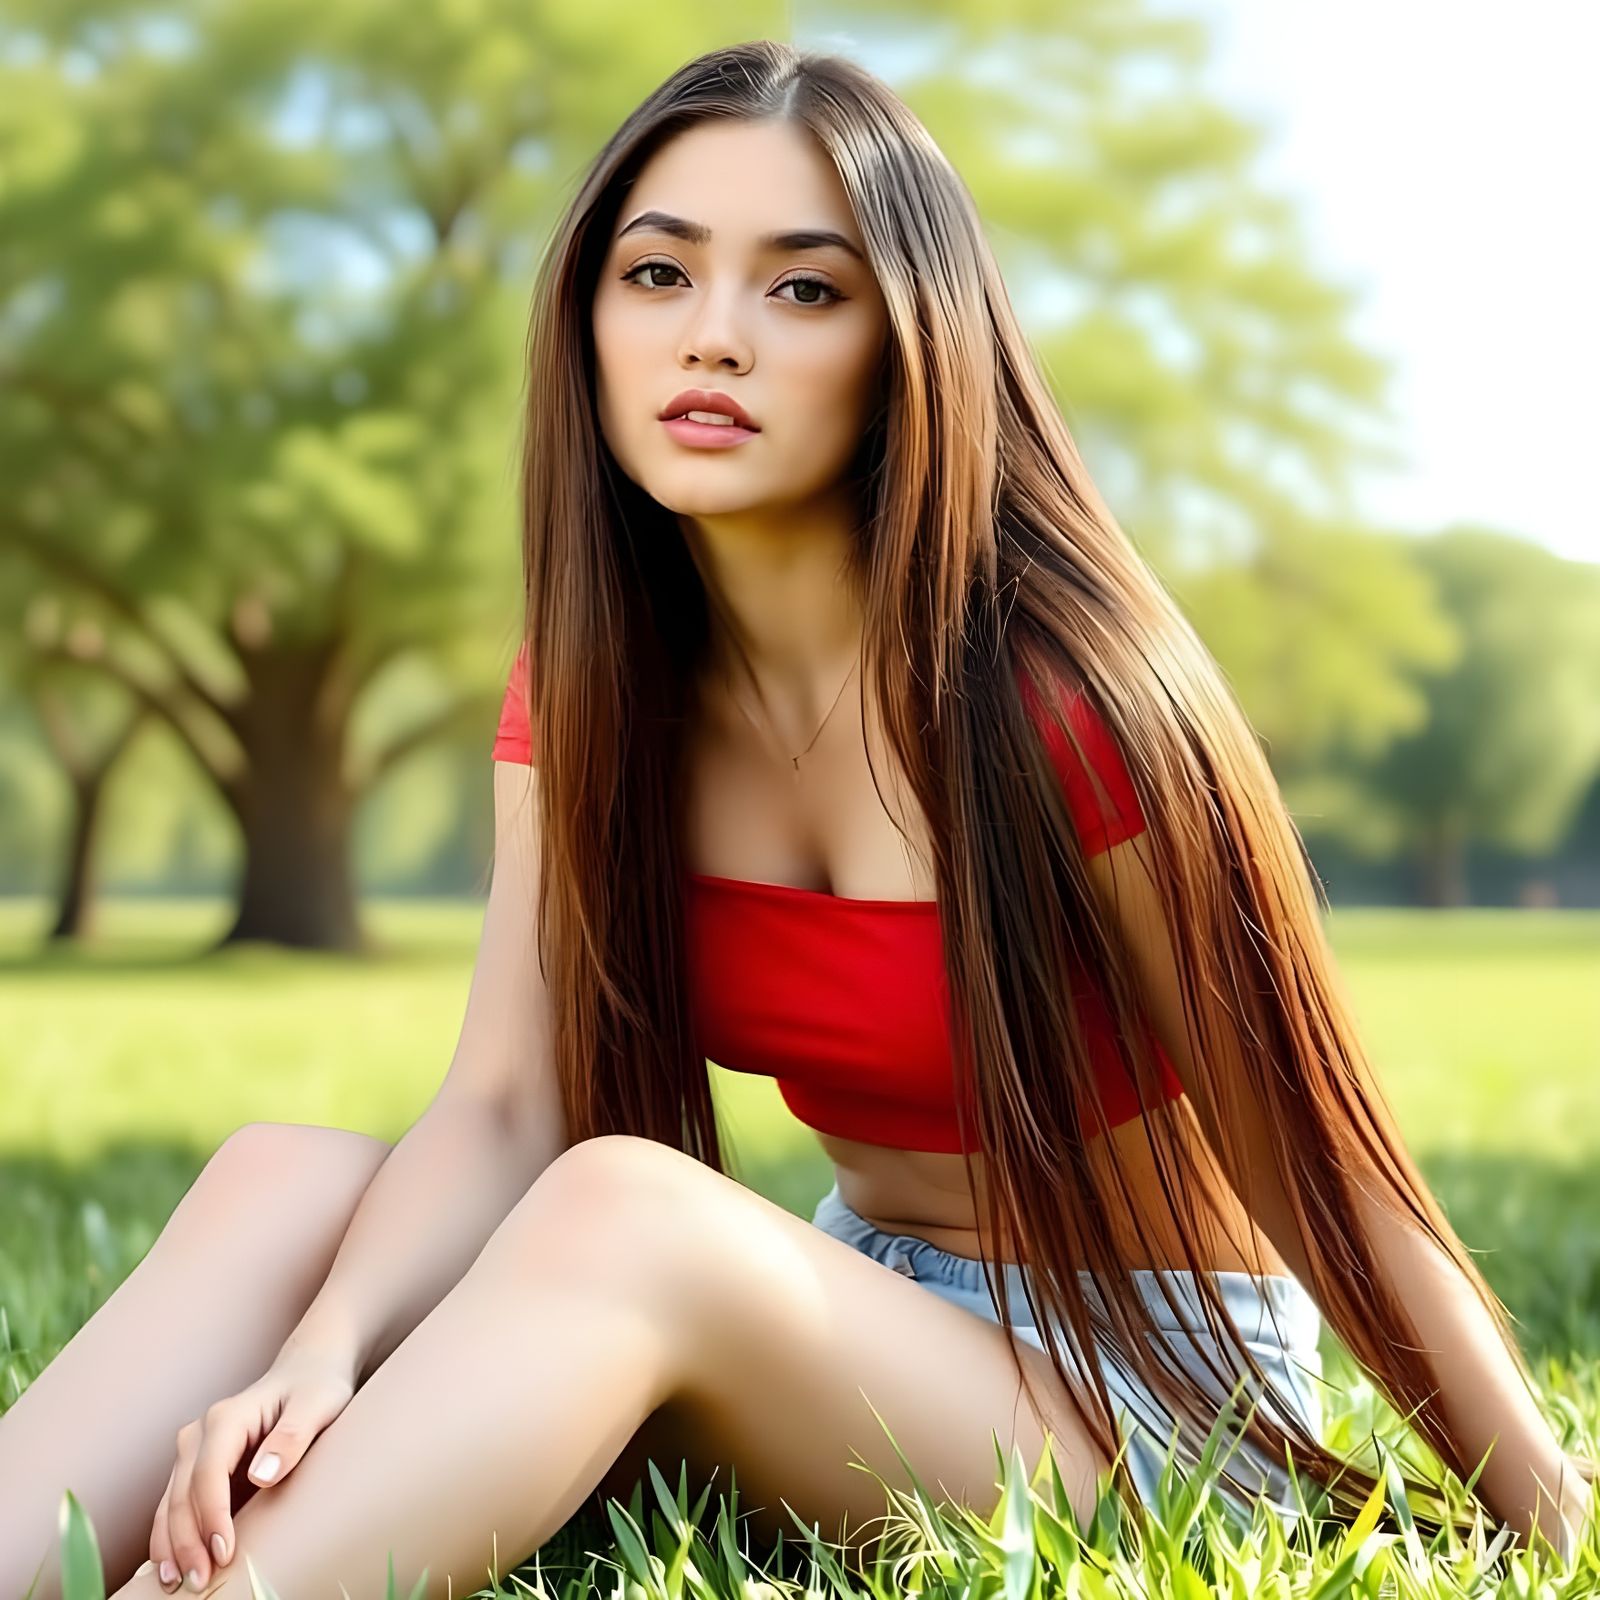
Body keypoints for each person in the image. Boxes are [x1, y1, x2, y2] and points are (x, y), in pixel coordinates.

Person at [1, 38, 1591, 1600]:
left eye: (803, 289)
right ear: (589, 325)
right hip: (856, 1313)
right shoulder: (594, 686)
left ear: (913, 341)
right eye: (659, 275)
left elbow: (1334, 1174)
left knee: (625, 1212)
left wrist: (1551, 1522)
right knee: (284, 1179)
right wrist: (319, 1358)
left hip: (1152, 1391)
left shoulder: (1069, 703)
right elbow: (502, 1104)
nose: (716, 340)